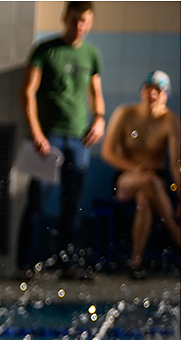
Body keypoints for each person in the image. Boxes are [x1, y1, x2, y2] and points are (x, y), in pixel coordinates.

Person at [15, 1, 105, 280]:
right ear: (65, 18)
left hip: (79, 140)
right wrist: (37, 132)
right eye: (75, 19)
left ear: (90, 22)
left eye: (85, 21)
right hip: (48, 138)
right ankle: (25, 265)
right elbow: (28, 92)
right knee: (37, 201)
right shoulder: (46, 50)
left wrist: (100, 118)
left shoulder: (91, 54)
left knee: (73, 203)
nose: (79, 26)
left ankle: (67, 264)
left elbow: (95, 91)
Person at [99, 70, 180, 278]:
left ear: (166, 95)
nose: (152, 94)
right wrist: (135, 168)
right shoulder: (125, 114)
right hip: (127, 176)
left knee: (144, 198)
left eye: (158, 90)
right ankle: (176, 232)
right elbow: (107, 152)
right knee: (147, 180)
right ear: (142, 91)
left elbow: (175, 164)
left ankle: (135, 262)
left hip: (157, 180)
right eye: (148, 89)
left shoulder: (170, 121)